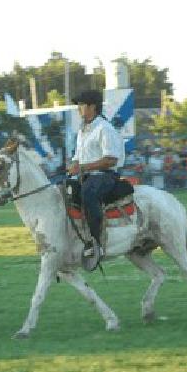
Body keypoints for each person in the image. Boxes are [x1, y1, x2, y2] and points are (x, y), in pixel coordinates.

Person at [67, 90, 126, 271]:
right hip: (86, 175)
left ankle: (96, 243)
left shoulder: (104, 128)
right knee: (62, 192)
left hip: (105, 176)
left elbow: (111, 160)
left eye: (81, 105)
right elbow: (77, 158)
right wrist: (73, 167)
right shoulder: (83, 131)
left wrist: (83, 167)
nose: (78, 109)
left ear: (92, 106)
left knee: (88, 193)